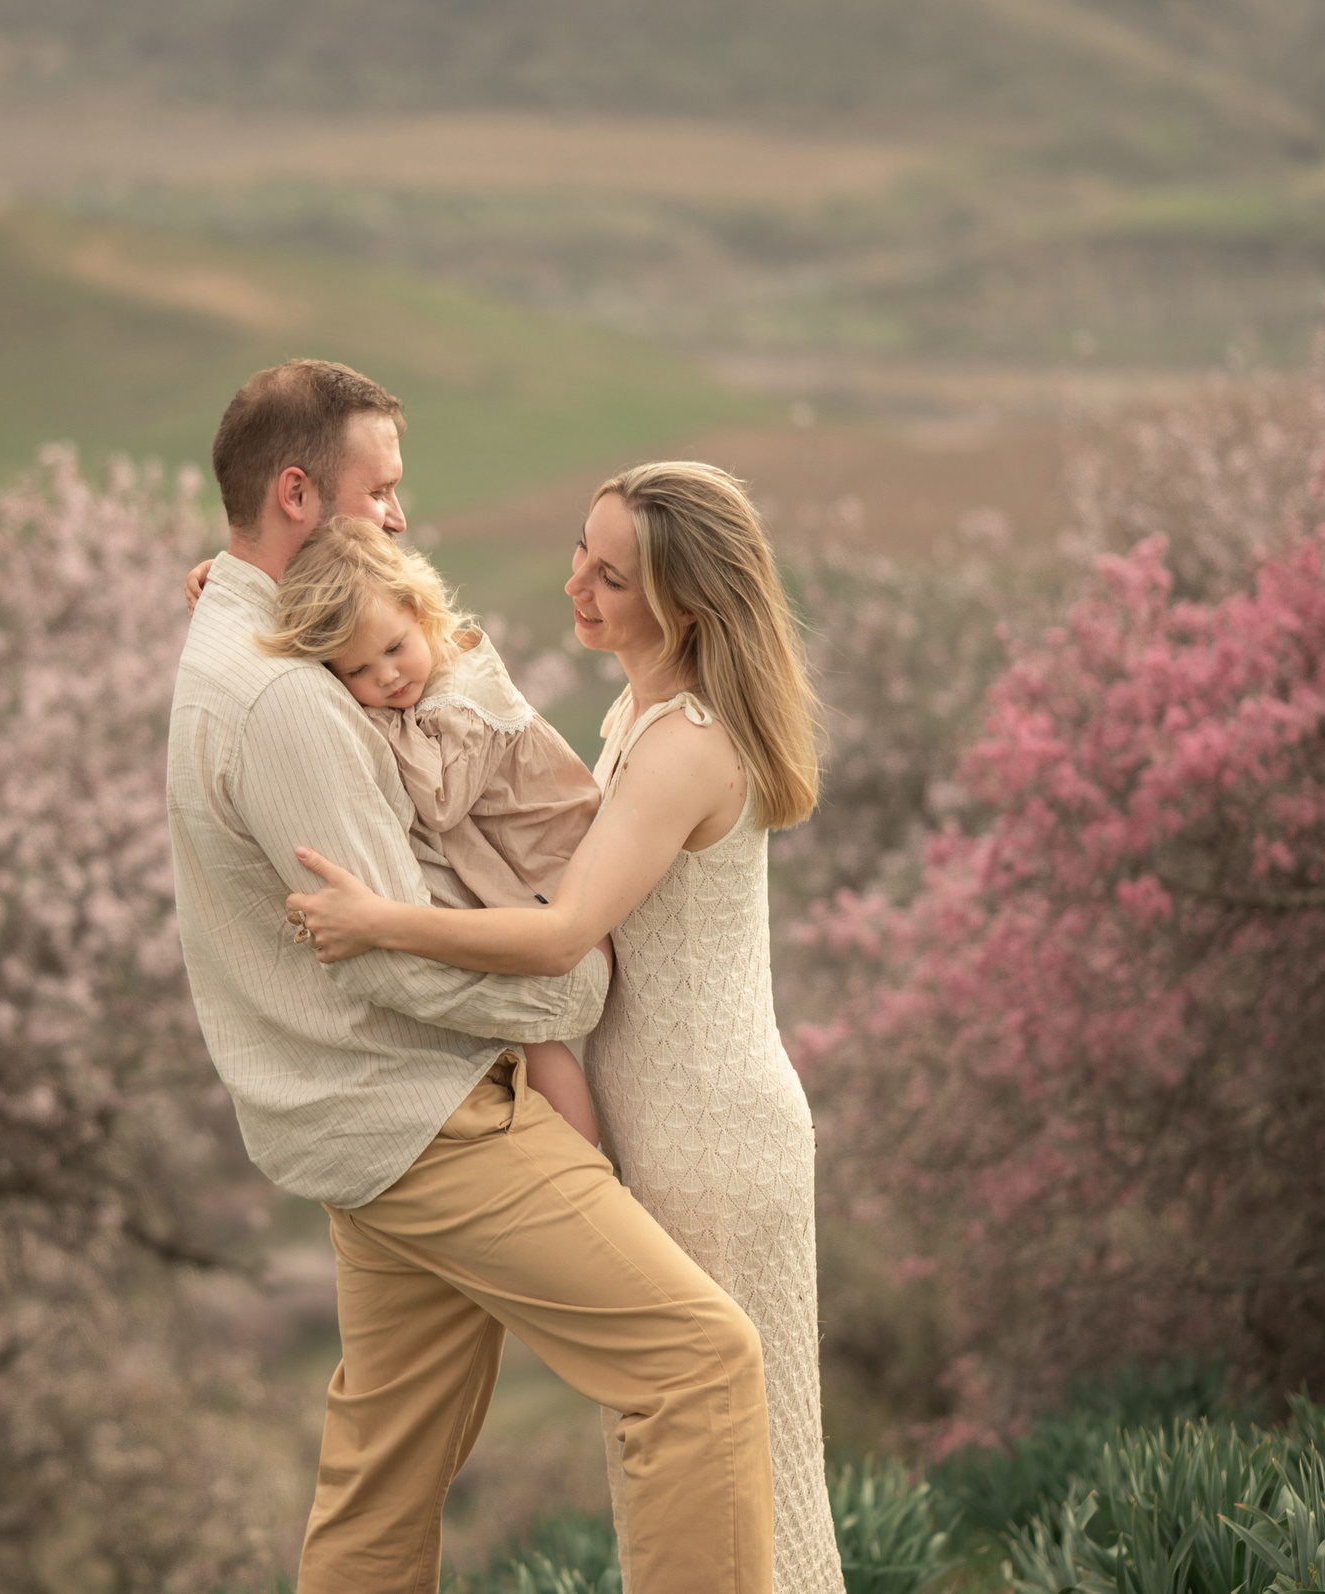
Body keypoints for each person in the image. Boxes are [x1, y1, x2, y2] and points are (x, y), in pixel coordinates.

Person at [170, 360, 774, 1594]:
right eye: (379, 490)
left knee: (382, 1477)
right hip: (434, 1117)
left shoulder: (252, 635)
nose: (399, 512)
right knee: (697, 1362)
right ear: (297, 492)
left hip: (363, 1124)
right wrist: (574, 989)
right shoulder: (286, 698)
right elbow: (392, 954)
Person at [286, 460, 848, 1594]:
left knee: (733, 1462)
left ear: (684, 602)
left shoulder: (687, 741)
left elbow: (563, 932)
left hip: (707, 1132)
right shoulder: (636, 706)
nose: (574, 585)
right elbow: (413, 635)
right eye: (578, 554)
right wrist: (249, 598)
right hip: (662, 1114)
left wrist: (377, 920)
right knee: (689, 1454)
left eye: (610, 576)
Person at [254, 514, 603, 1146]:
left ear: (422, 613)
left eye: (393, 649)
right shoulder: (422, 685)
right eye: (356, 673)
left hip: (559, 872)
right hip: (525, 868)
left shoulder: (462, 693)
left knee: (539, 1033)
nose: (385, 677)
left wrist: (374, 727)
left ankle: (587, 1157)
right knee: (527, 1036)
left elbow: (438, 802)